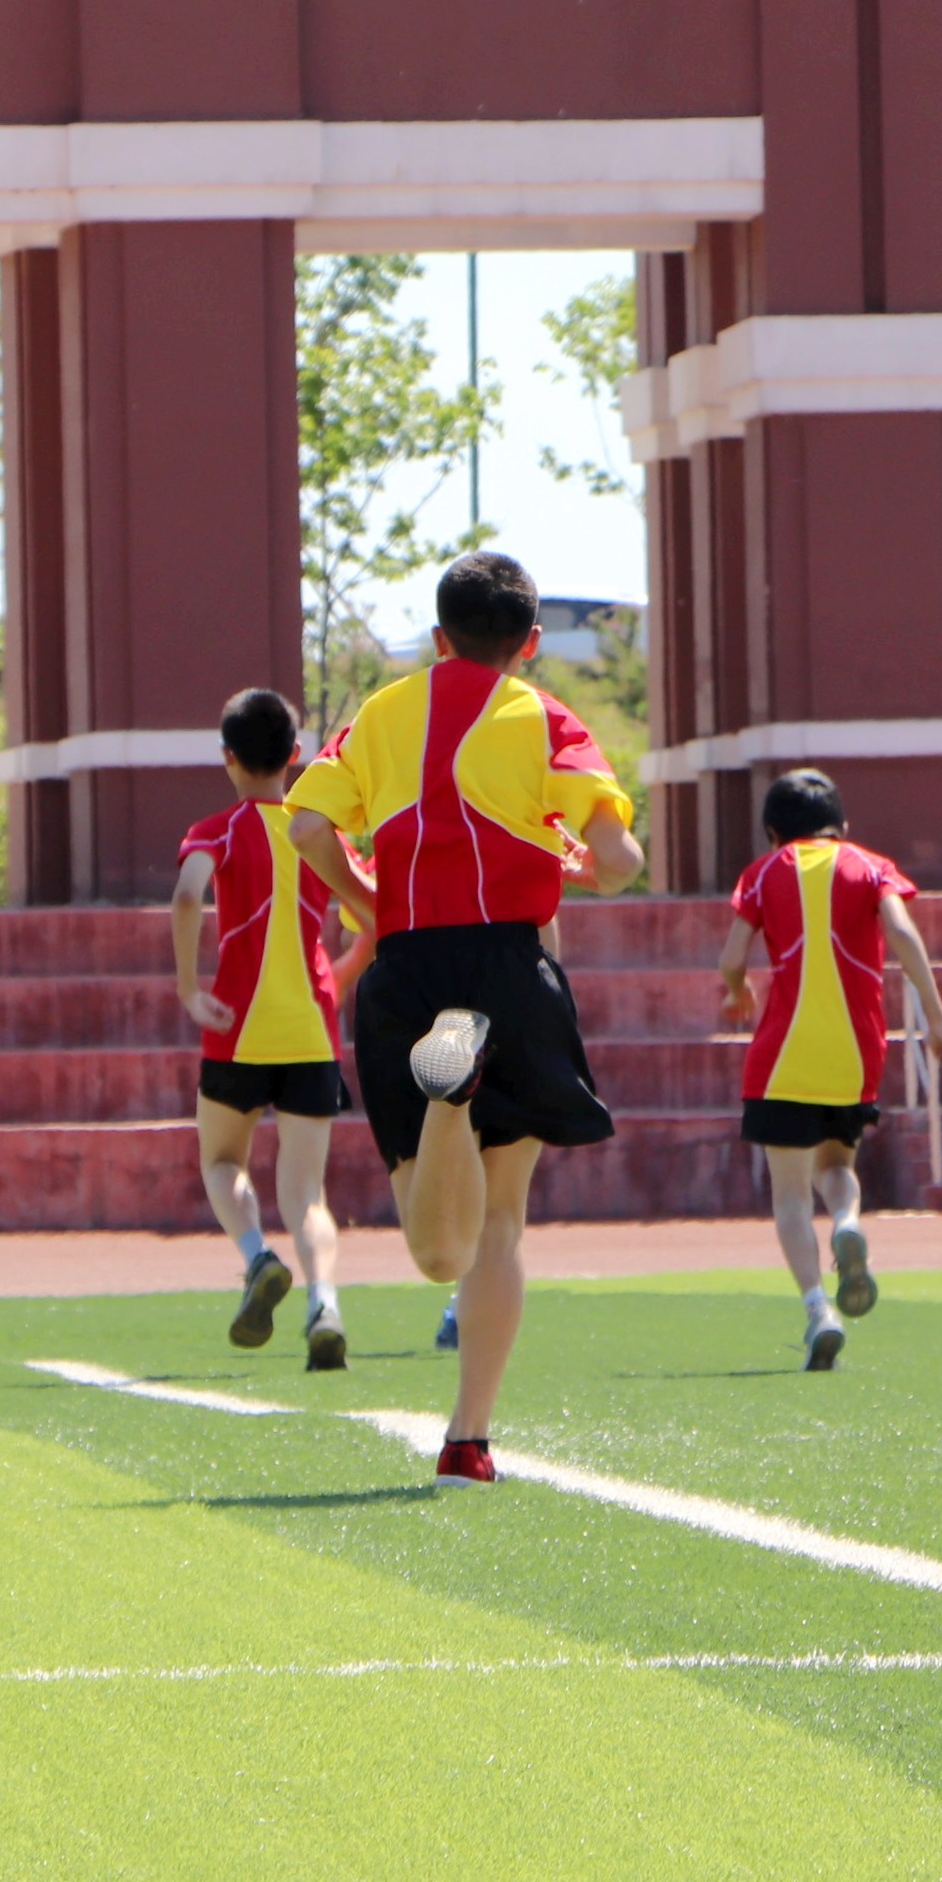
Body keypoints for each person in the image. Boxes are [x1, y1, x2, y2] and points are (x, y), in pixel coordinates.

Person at [286, 552, 643, 1487]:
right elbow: (621, 861)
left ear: (438, 639)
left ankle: (451, 1097)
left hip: (405, 969)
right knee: (499, 1229)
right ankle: (468, 1439)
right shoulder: (542, 717)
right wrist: (567, 857)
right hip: (509, 968)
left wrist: (364, 899)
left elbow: (308, 827)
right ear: (529, 644)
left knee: (433, 1244)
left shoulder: (380, 714)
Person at [716, 770, 942, 1369]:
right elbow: (902, 931)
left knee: (790, 1196)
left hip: (783, 1055)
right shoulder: (873, 866)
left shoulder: (763, 872)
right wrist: (936, 1019)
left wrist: (737, 989)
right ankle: (849, 1220)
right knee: (836, 1165)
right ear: (842, 825)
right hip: (855, 1050)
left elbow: (730, 957)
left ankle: (817, 1309)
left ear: (774, 832)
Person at [171, 688, 363, 1367]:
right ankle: (325, 1303)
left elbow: (189, 892)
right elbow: (371, 919)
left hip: (238, 1024)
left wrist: (190, 988)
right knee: (307, 1191)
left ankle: (257, 1260)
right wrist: (339, 979)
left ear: (227, 757)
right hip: (312, 1024)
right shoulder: (320, 832)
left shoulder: (216, 830)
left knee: (223, 1161)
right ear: (296, 755)